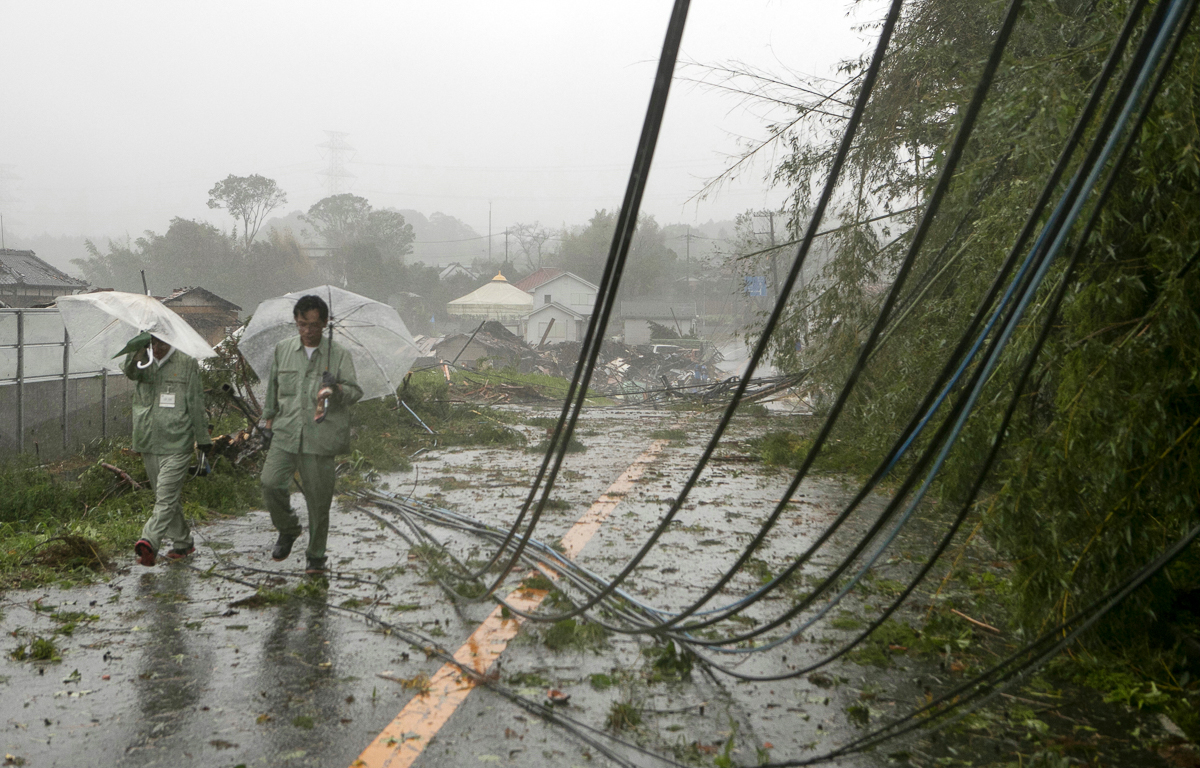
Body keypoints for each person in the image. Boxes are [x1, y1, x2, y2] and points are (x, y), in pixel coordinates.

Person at [261, 294, 362, 575]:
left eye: (314, 325)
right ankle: (288, 528)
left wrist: (337, 388)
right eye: (302, 324)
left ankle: (316, 556)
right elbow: (273, 390)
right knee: (270, 484)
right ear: (296, 322)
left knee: (319, 502)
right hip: (285, 432)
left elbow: (355, 392)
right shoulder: (283, 350)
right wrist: (267, 425)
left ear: (325, 323)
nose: (307, 331)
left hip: (320, 436)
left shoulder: (338, 354)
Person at [123, 334, 212, 567]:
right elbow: (130, 372)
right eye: (152, 343)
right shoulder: (144, 361)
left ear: (172, 340)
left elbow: (195, 400)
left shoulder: (186, 362)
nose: (157, 348)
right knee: (166, 496)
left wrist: (202, 438)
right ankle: (183, 543)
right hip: (148, 439)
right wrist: (138, 352)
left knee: (165, 496)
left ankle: (149, 541)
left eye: (161, 343)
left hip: (177, 441)